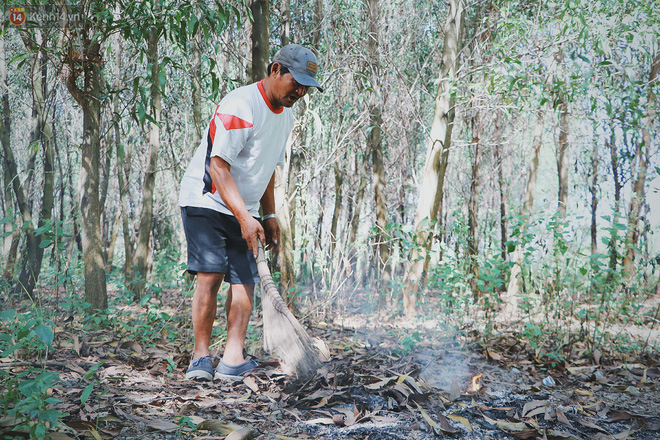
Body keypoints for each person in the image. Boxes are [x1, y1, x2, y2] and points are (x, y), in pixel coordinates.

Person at [178, 44, 323, 381]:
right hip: (207, 201)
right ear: (276, 70)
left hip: (245, 208)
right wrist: (245, 217)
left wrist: (268, 216)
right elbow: (218, 167)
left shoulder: (285, 116)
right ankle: (200, 358)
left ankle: (232, 359)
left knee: (245, 281)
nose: (300, 92)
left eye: (306, 87)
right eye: (296, 82)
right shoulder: (242, 105)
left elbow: (268, 168)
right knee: (211, 276)